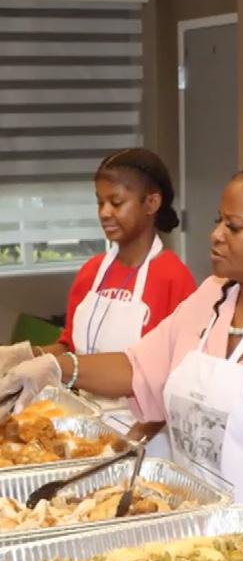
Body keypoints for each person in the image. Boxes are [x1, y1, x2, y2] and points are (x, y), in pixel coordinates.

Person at [0, 130, 243, 557]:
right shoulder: (212, 298)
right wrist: (55, 366)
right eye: (218, 221)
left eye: (233, 227)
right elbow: (139, 368)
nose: (216, 235)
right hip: (197, 533)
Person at [0, 148, 196, 447]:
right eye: (100, 202)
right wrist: (26, 355)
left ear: (151, 203)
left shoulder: (174, 279)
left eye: (116, 202)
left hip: (144, 437)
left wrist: (127, 444)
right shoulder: (91, 273)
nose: (104, 212)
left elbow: (173, 379)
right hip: (84, 424)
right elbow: (70, 346)